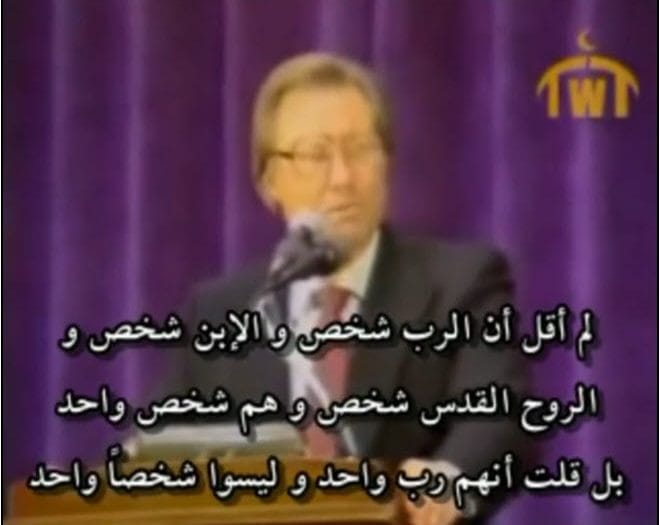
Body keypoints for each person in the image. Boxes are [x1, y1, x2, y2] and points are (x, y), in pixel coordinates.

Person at [178, 52, 528, 524]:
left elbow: (502, 418)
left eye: (360, 149)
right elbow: (156, 453)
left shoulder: (460, 283)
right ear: (269, 182)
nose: (342, 177)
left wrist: (451, 476)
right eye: (315, 154)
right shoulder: (224, 312)